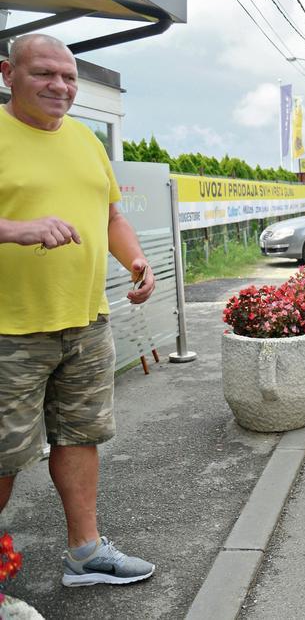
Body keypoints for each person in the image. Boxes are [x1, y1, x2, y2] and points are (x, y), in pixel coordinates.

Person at [0, 34, 156, 586]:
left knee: (79, 436)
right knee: (2, 457)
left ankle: (84, 553)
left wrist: (137, 261)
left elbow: (111, 216)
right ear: (7, 74)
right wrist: (17, 229)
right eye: (44, 74)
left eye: (68, 77)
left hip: (87, 321)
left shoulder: (87, 140)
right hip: (9, 331)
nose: (59, 86)